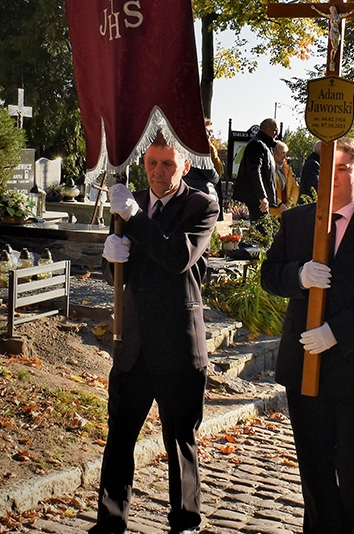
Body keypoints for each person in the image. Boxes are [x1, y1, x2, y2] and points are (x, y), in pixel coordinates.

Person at [260, 137, 354, 534]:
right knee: (315, 471)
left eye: (342, 169)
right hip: (305, 364)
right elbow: (269, 274)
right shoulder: (297, 220)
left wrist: (336, 333)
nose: (333, 177)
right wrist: (298, 275)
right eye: (328, 168)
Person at [95, 131, 219, 534]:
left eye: (168, 164)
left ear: (185, 165)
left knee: (180, 441)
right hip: (133, 343)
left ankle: (185, 522)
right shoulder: (132, 203)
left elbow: (176, 257)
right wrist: (110, 260)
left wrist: (135, 219)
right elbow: (120, 271)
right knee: (119, 439)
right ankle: (110, 522)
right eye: (151, 163)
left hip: (178, 345)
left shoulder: (201, 206)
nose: (158, 173)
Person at [232, 118, 278, 224]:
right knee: (263, 231)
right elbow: (254, 171)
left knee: (263, 231)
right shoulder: (257, 144)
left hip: (258, 197)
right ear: (265, 129)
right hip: (256, 198)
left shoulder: (265, 145)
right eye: (275, 130)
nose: (276, 133)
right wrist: (262, 197)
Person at [268, 140, 300, 216]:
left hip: (287, 211)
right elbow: (267, 189)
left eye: (285, 153)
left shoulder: (288, 168)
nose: (285, 156)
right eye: (282, 153)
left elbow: (295, 187)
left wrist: (289, 204)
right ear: (274, 153)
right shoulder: (267, 168)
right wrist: (279, 204)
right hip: (272, 210)